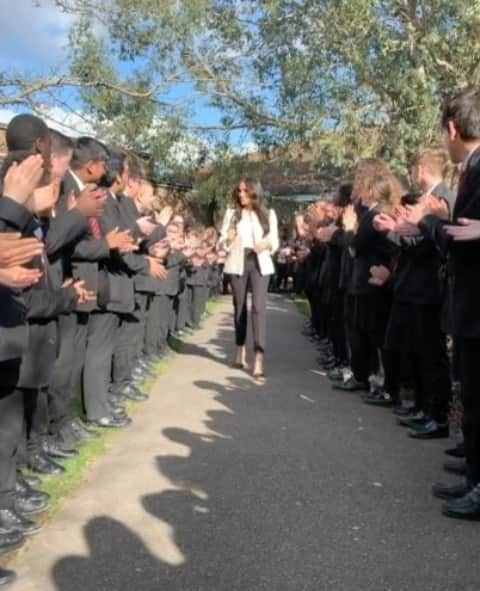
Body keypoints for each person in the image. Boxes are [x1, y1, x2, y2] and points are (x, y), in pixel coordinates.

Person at [219, 178, 279, 378]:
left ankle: (259, 357)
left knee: (259, 308)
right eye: (239, 190)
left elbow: (275, 241)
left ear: (255, 192)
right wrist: (229, 238)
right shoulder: (232, 214)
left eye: (245, 190)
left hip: (259, 262)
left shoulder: (268, 214)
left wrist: (266, 245)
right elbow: (222, 242)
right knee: (240, 307)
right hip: (238, 261)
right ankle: (239, 350)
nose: (241, 194)